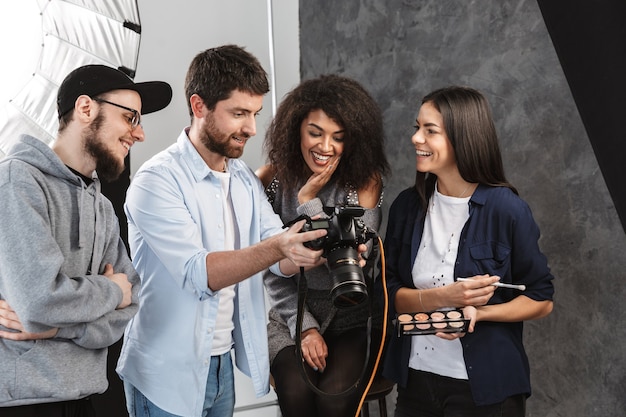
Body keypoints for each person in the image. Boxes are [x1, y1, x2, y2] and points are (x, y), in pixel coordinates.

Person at [115, 45, 330, 417]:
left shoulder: (243, 178)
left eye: (255, 114)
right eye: (239, 113)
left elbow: (280, 260)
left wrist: (314, 247)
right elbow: (201, 273)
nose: (251, 128)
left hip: (220, 365)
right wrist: (281, 245)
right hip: (165, 372)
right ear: (199, 106)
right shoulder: (156, 181)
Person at [0, 64, 172, 416]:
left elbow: (132, 301)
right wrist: (110, 291)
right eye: (130, 118)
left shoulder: (102, 206)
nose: (138, 135)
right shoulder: (17, 182)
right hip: (28, 403)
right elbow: (39, 303)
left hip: (92, 400)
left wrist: (53, 331)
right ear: (85, 108)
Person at [381, 85, 555, 417]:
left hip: (486, 390)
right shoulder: (407, 206)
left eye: (430, 131)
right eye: (417, 128)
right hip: (416, 382)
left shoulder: (508, 210)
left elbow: (542, 298)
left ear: (463, 138)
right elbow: (387, 293)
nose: (417, 138)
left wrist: (480, 313)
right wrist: (446, 296)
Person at [255, 74, 390, 417]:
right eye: (315, 133)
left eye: (338, 137)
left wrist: (308, 199)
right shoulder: (270, 180)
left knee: (333, 398)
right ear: (295, 128)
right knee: (296, 391)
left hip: (352, 313)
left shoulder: (364, 180)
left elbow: (350, 260)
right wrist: (306, 329)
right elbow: (270, 271)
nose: (325, 146)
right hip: (291, 314)